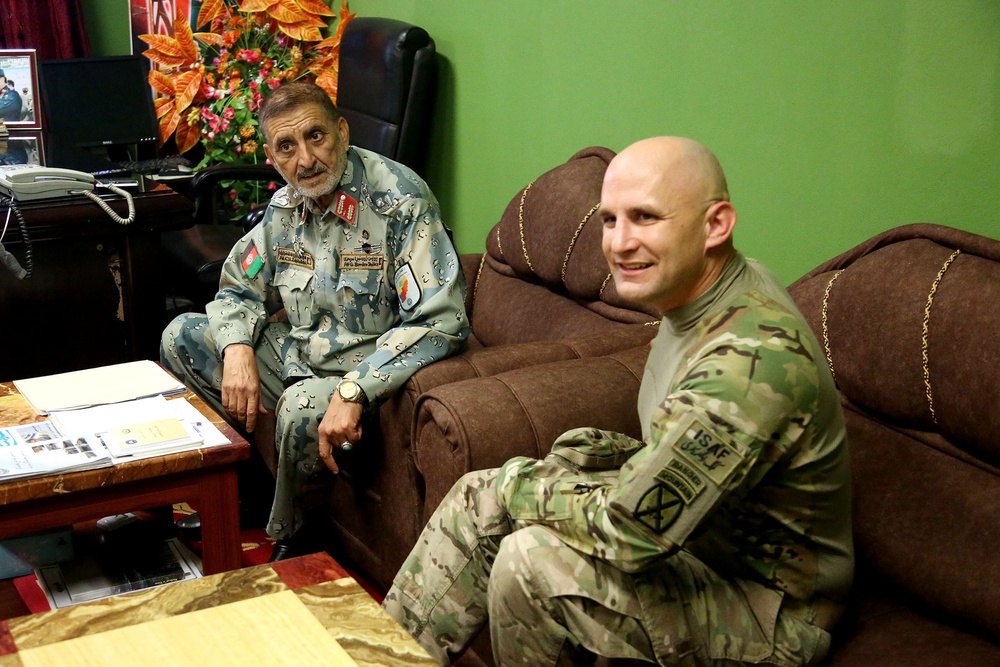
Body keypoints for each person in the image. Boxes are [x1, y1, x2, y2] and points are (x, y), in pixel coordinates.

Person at [383, 136, 853, 666]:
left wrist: (520, 485)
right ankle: (381, 658)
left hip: (768, 609)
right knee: (479, 495)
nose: (620, 243)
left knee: (530, 560)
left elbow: (634, 533)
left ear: (716, 225)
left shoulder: (748, 362)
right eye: (610, 220)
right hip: (700, 536)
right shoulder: (699, 293)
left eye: (646, 218)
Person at [161, 81, 470, 561]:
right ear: (272, 156)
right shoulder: (285, 207)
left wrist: (354, 389)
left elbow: (440, 319)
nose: (305, 160)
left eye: (316, 137)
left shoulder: (399, 201)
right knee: (182, 336)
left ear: (342, 132)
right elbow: (238, 289)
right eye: (288, 146)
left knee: (301, 403)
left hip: (365, 376)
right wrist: (238, 347)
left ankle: (297, 535)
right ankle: (249, 494)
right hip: (298, 355)